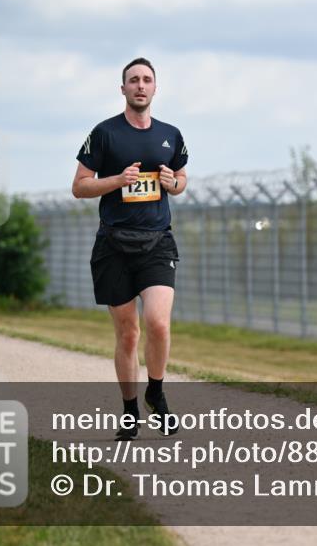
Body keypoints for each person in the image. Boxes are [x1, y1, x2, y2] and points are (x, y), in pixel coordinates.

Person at [72, 57, 188, 441]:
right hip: (114, 245)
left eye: (147, 80)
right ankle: (129, 410)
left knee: (158, 322)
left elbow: (182, 178)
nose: (140, 85)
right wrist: (117, 180)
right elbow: (80, 186)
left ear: (155, 87)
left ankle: (156, 391)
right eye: (133, 80)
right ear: (122, 88)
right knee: (128, 334)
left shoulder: (171, 134)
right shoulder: (104, 134)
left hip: (157, 242)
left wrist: (173, 183)